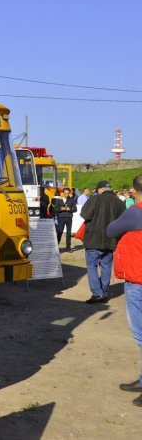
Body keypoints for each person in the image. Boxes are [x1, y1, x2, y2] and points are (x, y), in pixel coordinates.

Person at [106, 174, 142, 407]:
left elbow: (111, 230)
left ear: (134, 190)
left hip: (138, 280)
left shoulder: (135, 212)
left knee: (140, 334)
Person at [80, 180, 126, 303]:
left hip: (93, 239)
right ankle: (104, 292)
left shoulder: (95, 199)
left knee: (92, 265)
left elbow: (84, 214)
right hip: (111, 240)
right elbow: (123, 222)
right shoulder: (120, 202)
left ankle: (97, 293)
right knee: (106, 266)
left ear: (100, 189)